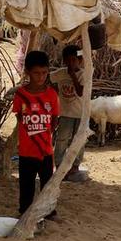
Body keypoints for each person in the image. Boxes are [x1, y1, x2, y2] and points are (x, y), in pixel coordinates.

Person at [12, 50, 59, 216]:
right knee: (26, 185)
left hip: (46, 150)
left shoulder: (52, 95)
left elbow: (54, 119)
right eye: (36, 73)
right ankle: (25, 212)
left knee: (47, 184)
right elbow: (19, 116)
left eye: (44, 73)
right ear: (27, 73)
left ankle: (48, 211)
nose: (41, 77)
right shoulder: (20, 95)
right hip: (26, 151)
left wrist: (43, 135)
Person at [50, 45, 86, 181]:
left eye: (73, 60)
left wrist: (73, 76)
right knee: (62, 139)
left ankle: (75, 166)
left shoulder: (84, 75)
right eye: (68, 60)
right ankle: (59, 164)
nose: (71, 63)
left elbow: (80, 92)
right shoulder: (60, 73)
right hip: (65, 113)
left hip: (81, 114)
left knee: (79, 141)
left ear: (80, 60)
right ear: (64, 61)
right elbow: (48, 79)